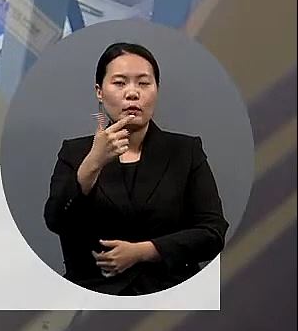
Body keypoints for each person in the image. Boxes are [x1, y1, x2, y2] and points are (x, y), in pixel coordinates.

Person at [43, 41, 228, 295]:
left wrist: (143, 251)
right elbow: (55, 220)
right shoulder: (75, 153)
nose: (132, 93)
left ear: (156, 89)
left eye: (143, 83)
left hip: (170, 293)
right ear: (99, 91)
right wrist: (92, 163)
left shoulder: (185, 151)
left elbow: (212, 233)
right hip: (95, 294)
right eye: (120, 83)